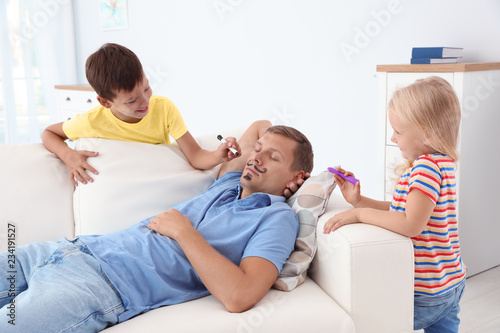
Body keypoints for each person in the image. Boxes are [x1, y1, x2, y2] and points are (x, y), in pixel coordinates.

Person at [0, 120, 314, 332]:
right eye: (257, 149)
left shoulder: (276, 218)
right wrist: (265, 148)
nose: (256, 157)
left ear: (297, 176)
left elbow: (240, 295)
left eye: (272, 157)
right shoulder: (228, 182)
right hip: (68, 250)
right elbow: (260, 125)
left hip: (98, 286)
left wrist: (184, 232)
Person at [323, 76, 466, 333]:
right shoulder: (442, 163)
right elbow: (402, 211)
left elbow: (411, 224)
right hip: (451, 282)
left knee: (375, 324)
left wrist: (359, 215)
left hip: (427, 293)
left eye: (398, 132)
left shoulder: (425, 167)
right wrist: (358, 201)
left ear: (428, 132)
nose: (393, 137)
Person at [41, 43, 240, 186]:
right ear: (105, 102)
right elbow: (48, 133)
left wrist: (217, 155)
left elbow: (196, 156)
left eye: (146, 88)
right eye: (132, 100)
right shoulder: (92, 121)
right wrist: (68, 155)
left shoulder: (163, 108)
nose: (145, 102)